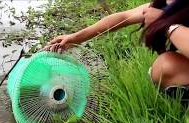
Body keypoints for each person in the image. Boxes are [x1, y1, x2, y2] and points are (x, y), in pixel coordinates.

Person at [44, 0, 189, 102]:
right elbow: (125, 17)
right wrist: (75, 38)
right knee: (163, 67)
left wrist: (166, 25)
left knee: (165, 66)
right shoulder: (169, 4)